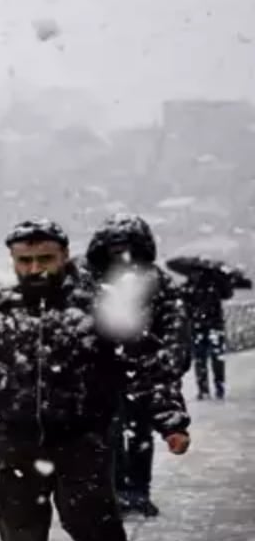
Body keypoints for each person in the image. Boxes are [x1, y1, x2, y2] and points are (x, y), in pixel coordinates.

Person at [0, 220, 191, 541]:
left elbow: (146, 364)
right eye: (25, 260)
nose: (35, 269)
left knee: (94, 526)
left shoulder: (99, 304)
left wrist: (170, 421)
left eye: (45, 259)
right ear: (12, 260)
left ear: (64, 255)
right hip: (16, 439)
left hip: (83, 438)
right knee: (22, 539)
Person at [82, 214, 191, 518]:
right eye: (115, 247)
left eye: (127, 247)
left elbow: (175, 330)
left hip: (144, 370)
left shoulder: (157, 282)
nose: (121, 254)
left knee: (139, 433)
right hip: (102, 372)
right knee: (110, 434)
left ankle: (137, 491)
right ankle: (117, 490)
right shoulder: (89, 280)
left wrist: (166, 361)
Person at [179, 265, 237, 401]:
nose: (195, 275)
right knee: (202, 360)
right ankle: (204, 389)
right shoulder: (188, 288)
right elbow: (184, 306)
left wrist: (221, 279)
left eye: (197, 272)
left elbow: (227, 294)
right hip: (201, 327)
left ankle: (217, 387)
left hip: (211, 326)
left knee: (214, 359)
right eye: (193, 272)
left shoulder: (213, 284)